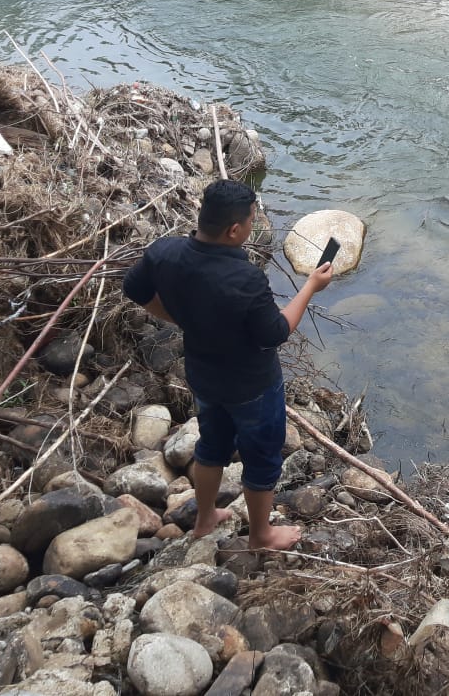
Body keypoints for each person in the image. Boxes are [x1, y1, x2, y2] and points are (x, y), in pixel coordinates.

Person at [123, 179, 333, 549]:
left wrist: (179, 318)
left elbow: (135, 290)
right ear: (234, 230)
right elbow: (275, 332)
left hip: (204, 377)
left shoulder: (164, 253)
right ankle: (261, 534)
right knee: (263, 458)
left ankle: (204, 519)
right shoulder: (244, 279)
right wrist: (310, 287)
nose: (253, 226)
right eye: (252, 221)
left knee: (212, 444)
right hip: (252, 386)